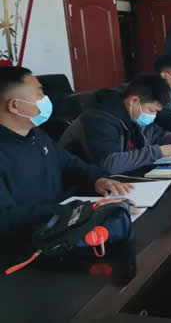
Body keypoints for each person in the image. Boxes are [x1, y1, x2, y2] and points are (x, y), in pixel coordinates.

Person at [0, 67, 133, 238]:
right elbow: (7, 217)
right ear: (14, 105)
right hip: (26, 240)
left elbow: (71, 164)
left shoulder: (36, 135)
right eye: (39, 94)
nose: (46, 99)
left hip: (61, 227)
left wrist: (98, 179)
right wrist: (76, 211)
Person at [60, 75, 171, 175]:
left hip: (123, 177)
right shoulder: (97, 118)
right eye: (152, 110)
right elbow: (109, 164)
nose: (153, 116)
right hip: (80, 186)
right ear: (133, 101)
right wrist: (158, 152)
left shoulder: (133, 113)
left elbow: (158, 136)